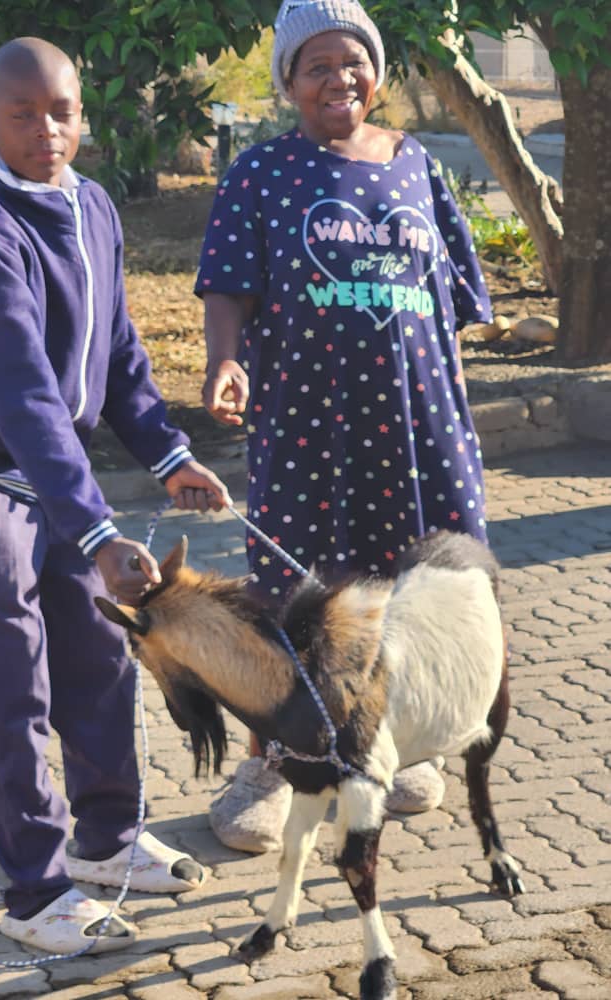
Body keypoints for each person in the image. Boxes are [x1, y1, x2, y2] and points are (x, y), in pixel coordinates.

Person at [0, 36, 233, 955]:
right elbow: (21, 397)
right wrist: (95, 532)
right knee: (14, 682)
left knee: (98, 656)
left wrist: (169, 454)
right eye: (23, 114)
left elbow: (118, 348)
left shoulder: (91, 206)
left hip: (56, 469)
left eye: (63, 111)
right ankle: (37, 892)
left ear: (83, 116)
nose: (47, 130)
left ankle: (108, 839)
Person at [195, 0, 492, 853]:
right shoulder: (261, 173)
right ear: (289, 81)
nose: (339, 79)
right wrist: (226, 359)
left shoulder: (417, 165)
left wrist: (452, 396)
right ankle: (271, 763)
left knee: (413, 593)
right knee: (295, 597)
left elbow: (456, 302)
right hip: (307, 426)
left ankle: (402, 747)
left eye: (353, 61)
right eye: (316, 65)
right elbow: (227, 284)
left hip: (416, 425)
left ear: (378, 71)